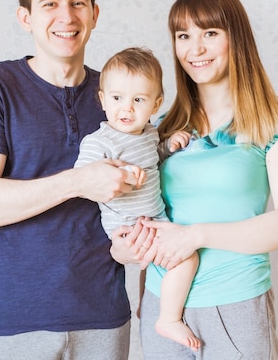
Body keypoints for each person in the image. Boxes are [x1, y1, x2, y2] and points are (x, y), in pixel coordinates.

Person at [110, 0, 278, 359]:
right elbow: (136, 210)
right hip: (160, 305)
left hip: (237, 306)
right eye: (183, 36)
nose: (195, 49)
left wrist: (195, 236)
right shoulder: (161, 128)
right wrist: (124, 248)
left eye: (210, 34)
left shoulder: (276, 120)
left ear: (236, 38)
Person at [0, 0, 137, 360]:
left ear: (94, 14)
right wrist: (77, 181)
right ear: (26, 18)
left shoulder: (117, 97)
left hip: (103, 315)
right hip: (15, 321)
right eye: (50, 3)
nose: (66, 16)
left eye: (78, 2)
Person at [74, 47, 200, 351]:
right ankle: (168, 319)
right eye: (117, 98)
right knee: (187, 258)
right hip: (129, 224)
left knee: (165, 264)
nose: (126, 108)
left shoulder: (148, 134)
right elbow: (83, 178)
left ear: (155, 104)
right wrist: (122, 175)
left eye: (138, 100)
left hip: (154, 218)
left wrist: (169, 144)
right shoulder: (98, 142)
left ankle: (152, 308)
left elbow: (153, 158)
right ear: (103, 99)